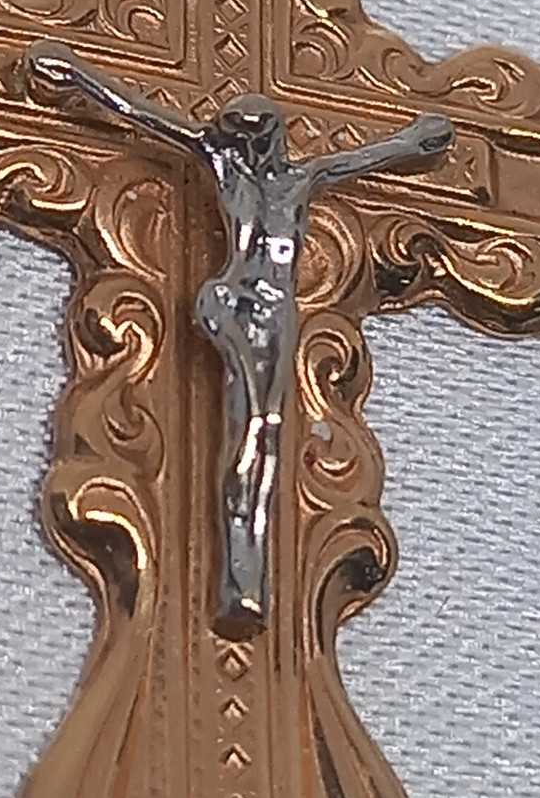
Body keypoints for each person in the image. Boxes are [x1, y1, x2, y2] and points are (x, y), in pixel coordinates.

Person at [28, 51, 453, 631]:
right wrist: (77, 75)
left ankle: (247, 570)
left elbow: (366, 158)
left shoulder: (302, 180)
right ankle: (239, 574)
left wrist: (416, 141)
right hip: (234, 304)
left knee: (266, 431)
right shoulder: (226, 167)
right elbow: (140, 111)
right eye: (241, 135)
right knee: (253, 427)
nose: (249, 146)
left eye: (257, 135)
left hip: (277, 315)